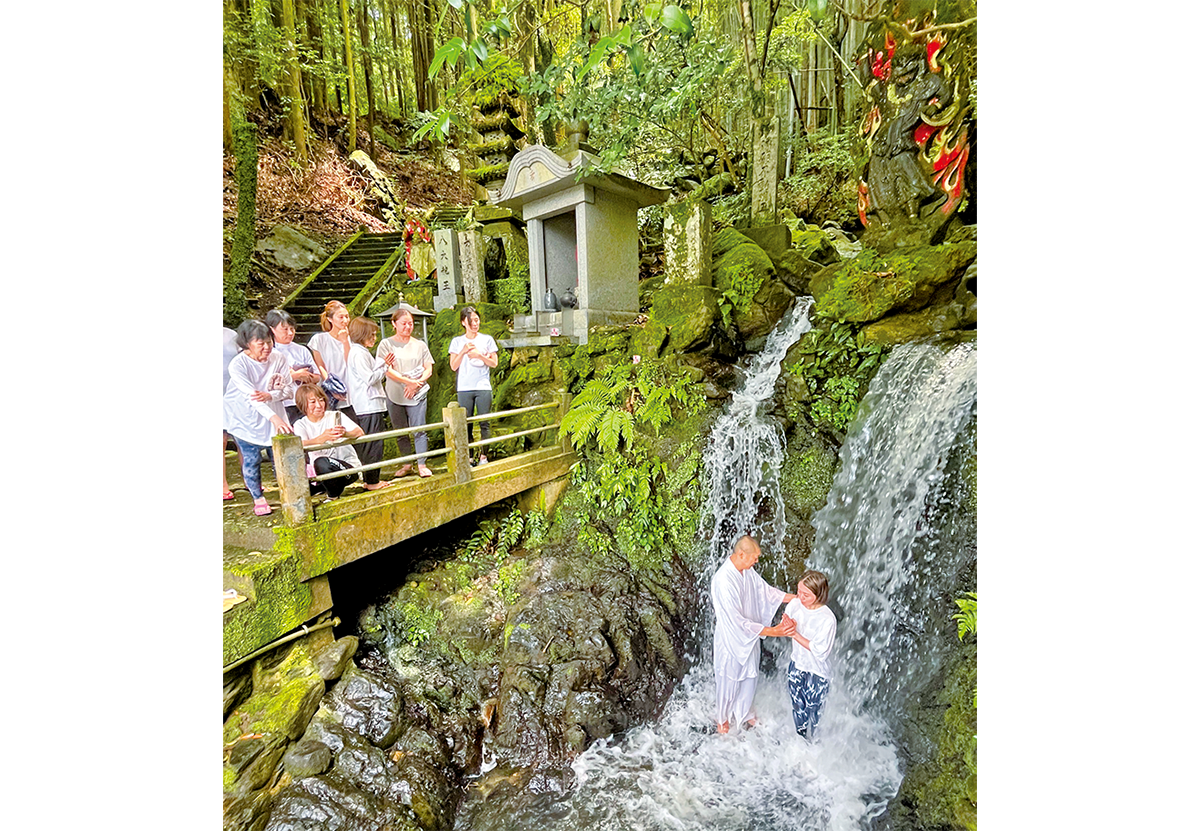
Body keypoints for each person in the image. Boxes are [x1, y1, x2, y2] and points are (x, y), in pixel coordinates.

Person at [710, 535, 796, 733]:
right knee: (729, 678)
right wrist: (773, 631)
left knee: (750, 675)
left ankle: (744, 712)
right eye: (754, 557)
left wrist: (796, 598)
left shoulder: (747, 571)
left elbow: (766, 592)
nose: (757, 561)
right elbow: (736, 621)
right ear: (741, 554)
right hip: (731, 637)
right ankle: (722, 719)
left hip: (750, 635)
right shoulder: (723, 580)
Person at [222, 320, 296, 516]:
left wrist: (271, 396)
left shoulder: (278, 358)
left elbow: (288, 391)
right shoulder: (238, 364)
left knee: (280, 456)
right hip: (244, 417)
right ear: (247, 344)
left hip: (274, 413)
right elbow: (252, 398)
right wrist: (275, 418)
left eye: (269, 342)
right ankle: (258, 497)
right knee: (251, 458)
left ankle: (289, 493)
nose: (266, 348)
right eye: (260, 343)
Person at [777, 570, 837, 739]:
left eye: (806, 595)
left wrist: (795, 634)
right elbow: (785, 623)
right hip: (796, 665)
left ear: (819, 595)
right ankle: (800, 741)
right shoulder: (795, 604)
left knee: (815, 713)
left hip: (817, 673)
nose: (800, 597)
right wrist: (787, 624)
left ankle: (816, 745)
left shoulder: (827, 619)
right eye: (799, 591)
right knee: (797, 707)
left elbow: (821, 651)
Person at [377, 306, 434, 478]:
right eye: (404, 323)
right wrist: (407, 382)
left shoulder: (420, 345)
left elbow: (428, 368)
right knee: (400, 431)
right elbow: (385, 369)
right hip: (395, 392)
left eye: (410, 323)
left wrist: (416, 384)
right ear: (394, 324)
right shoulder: (386, 344)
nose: (408, 327)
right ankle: (407, 463)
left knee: (419, 429)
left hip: (417, 392)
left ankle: (422, 463)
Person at [448, 305, 499, 466]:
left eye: (477, 320)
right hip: (464, 387)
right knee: (466, 423)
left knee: (484, 422)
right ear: (464, 322)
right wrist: (463, 351)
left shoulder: (487, 339)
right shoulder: (457, 342)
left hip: (483, 385)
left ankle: (484, 456)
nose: (475, 324)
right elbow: (453, 366)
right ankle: (469, 457)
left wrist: (480, 356)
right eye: (471, 321)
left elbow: (494, 363)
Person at [292, 383, 363, 499]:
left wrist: (345, 433)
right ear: (303, 405)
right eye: (313, 402)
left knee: (322, 463)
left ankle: (332, 496)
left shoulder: (335, 415)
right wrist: (321, 438)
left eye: (321, 400)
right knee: (299, 484)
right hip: (320, 471)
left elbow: (359, 432)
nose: (319, 405)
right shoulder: (300, 424)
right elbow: (300, 443)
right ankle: (322, 488)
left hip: (346, 467)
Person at [345, 316, 392, 491]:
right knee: (373, 444)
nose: (374, 338)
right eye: (371, 335)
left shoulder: (359, 352)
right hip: (368, 405)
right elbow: (370, 378)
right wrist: (384, 367)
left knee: (371, 443)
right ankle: (372, 481)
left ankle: (371, 479)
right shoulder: (358, 353)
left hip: (368, 404)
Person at [266, 309, 323, 424]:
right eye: (285, 329)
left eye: (292, 329)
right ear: (272, 329)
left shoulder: (302, 350)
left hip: (303, 402)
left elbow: (317, 376)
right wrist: (295, 375)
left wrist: (303, 375)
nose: (290, 333)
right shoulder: (269, 352)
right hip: (283, 403)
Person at [308, 300, 355, 420]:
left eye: (347, 316)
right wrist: (331, 386)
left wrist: (345, 342)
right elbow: (320, 365)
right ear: (330, 319)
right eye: (341, 317)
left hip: (350, 387)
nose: (345, 320)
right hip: (328, 388)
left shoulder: (351, 339)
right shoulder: (319, 339)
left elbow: (350, 362)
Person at [222, 326, 241, 501]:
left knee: (242, 440)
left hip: (235, 395)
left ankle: (250, 480)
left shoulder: (232, 335)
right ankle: (222, 485)